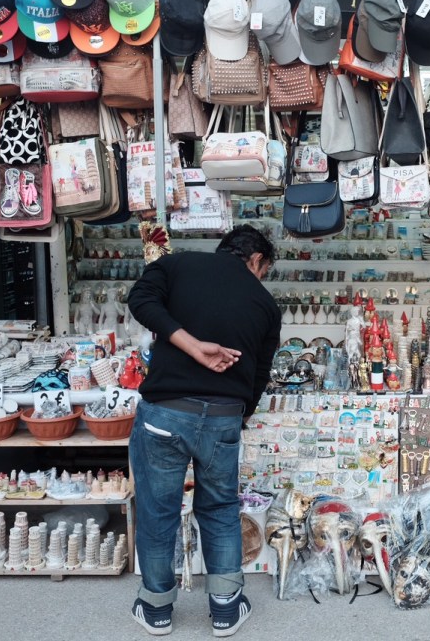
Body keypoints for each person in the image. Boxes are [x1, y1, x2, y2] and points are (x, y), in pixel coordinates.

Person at [127, 224, 280, 637]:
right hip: (223, 417)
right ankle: (226, 608)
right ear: (256, 260)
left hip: (165, 413)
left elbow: (140, 299)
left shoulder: (177, 265)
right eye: (264, 270)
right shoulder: (265, 304)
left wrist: (187, 343)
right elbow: (259, 376)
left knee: (158, 512)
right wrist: (236, 417)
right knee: (219, 510)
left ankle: (156, 609)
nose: (261, 278)